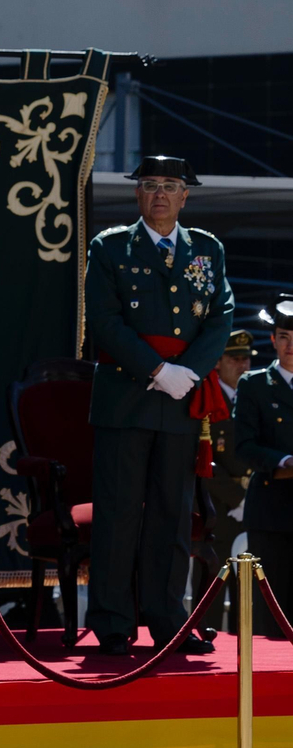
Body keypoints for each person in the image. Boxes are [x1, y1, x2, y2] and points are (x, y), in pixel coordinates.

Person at [85, 154, 233, 655]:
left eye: (170, 185)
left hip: (182, 397)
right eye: (150, 185)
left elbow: (221, 316)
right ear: (138, 194)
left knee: (173, 513)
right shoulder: (109, 247)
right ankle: (112, 623)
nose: (160, 194)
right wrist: (157, 370)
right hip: (127, 395)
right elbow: (104, 320)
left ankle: (169, 621)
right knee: (118, 512)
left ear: (185, 196)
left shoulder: (207, 249)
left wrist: (187, 372)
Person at [233, 300, 293, 638]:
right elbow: (244, 446)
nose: (290, 346)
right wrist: (283, 461)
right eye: (283, 336)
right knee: (272, 613)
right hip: (272, 511)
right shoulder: (254, 384)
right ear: (272, 339)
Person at [193, 329, 254, 629]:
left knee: (249, 591)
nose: (242, 365)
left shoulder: (254, 396)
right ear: (218, 361)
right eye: (234, 359)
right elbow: (204, 460)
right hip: (217, 508)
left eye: (246, 359)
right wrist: (238, 498)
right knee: (212, 588)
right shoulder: (207, 396)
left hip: (253, 506)